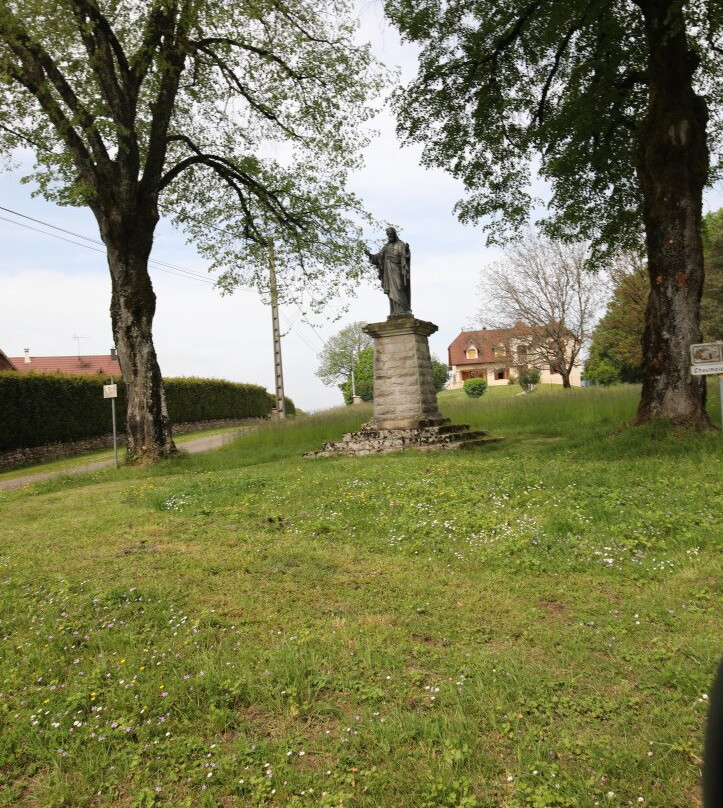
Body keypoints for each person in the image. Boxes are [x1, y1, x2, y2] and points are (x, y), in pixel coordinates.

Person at [365, 227, 412, 317]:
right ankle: (394, 311)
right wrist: (370, 255)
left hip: (398, 270)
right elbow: (379, 256)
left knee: (399, 287)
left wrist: (406, 250)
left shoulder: (401, 244)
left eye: (390, 234)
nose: (389, 236)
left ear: (394, 234)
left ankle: (404, 310)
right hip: (389, 272)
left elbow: (405, 257)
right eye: (388, 234)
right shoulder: (386, 247)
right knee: (391, 291)